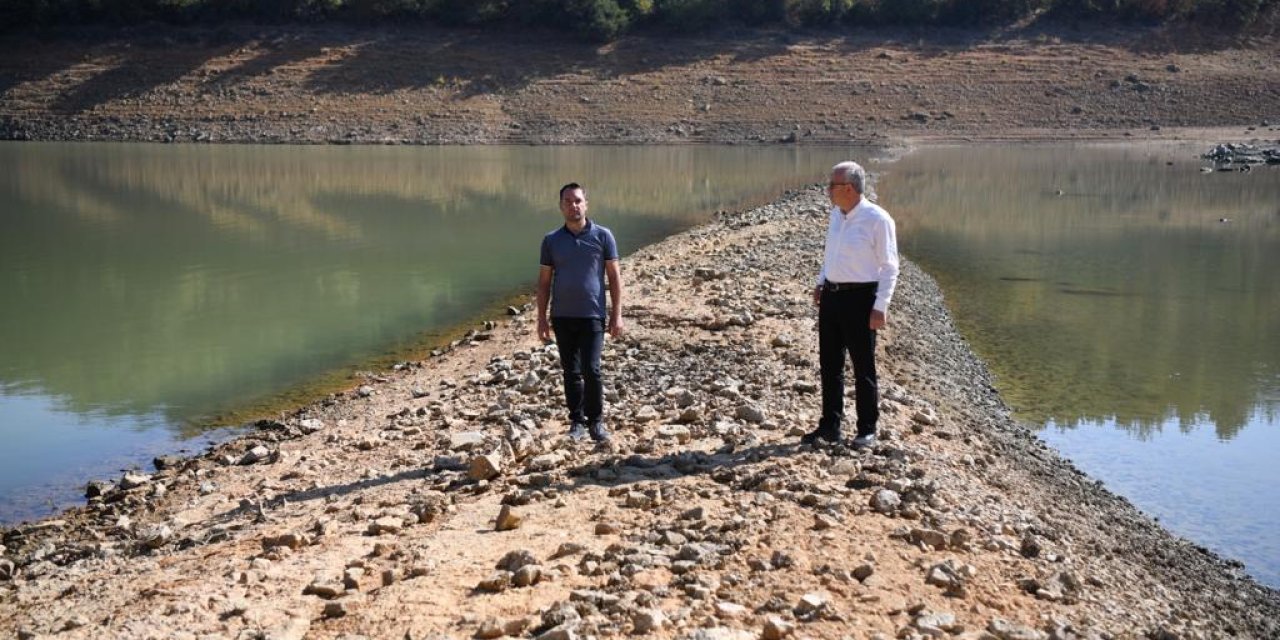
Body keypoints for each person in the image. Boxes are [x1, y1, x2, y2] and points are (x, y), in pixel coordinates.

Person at [803, 161, 899, 450]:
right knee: (829, 363)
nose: (827, 190)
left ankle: (867, 429)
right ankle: (830, 425)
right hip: (832, 297)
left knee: (863, 366)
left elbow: (890, 266)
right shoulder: (836, 215)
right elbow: (831, 254)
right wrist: (822, 281)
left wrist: (881, 305)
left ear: (848, 188)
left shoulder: (878, 219)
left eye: (831, 185)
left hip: (861, 299)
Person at [536, 183, 624, 443]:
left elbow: (614, 277)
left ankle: (596, 422)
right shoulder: (551, 240)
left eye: (577, 201)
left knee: (592, 369)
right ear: (561, 206)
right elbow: (543, 282)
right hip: (562, 316)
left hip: (593, 314)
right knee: (570, 371)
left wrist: (617, 314)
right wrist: (541, 318)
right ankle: (577, 422)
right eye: (568, 201)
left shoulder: (603, 236)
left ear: (586, 203)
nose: (573, 206)